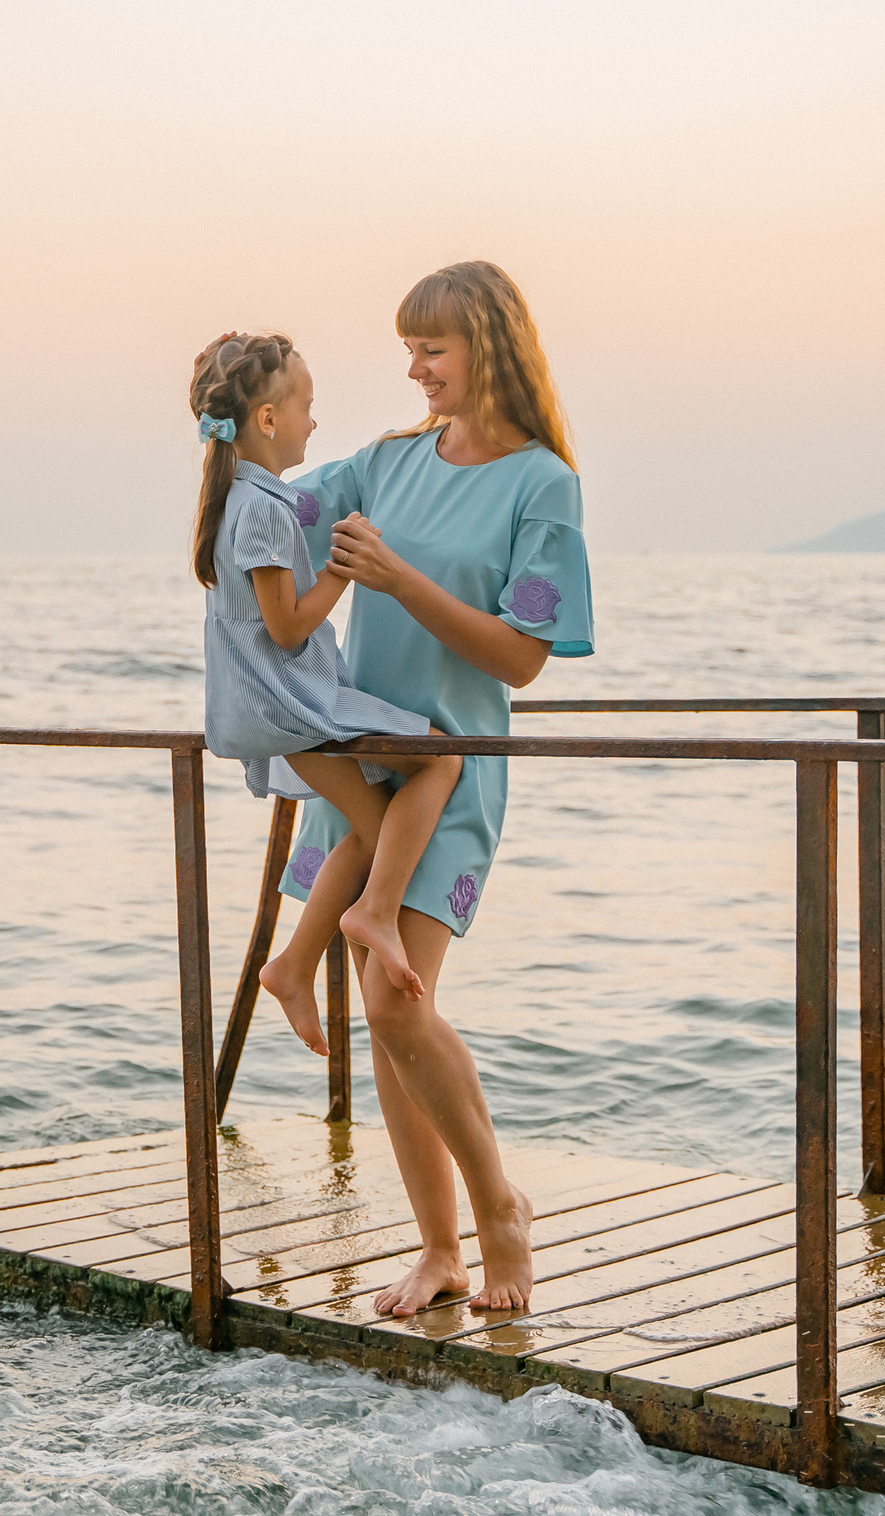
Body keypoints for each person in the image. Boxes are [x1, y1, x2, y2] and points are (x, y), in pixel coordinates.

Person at [267, 261, 594, 1316]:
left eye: (431, 348)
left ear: (489, 344)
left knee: (390, 997)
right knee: (385, 1007)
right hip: (360, 768)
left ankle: (497, 1214)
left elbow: (523, 659)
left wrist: (398, 576)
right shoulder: (386, 461)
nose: (411, 368)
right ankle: (440, 1248)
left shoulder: (542, 481)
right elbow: (269, 515)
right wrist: (231, 428)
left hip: (453, 774)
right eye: (408, 347)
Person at [190, 330, 462, 1001]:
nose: (315, 421)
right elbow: (285, 629)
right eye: (307, 406)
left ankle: (294, 963)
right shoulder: (262, 509)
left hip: (267, 704)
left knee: (376, 828)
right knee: (443, 756)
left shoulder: (241, 500)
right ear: (268, 419)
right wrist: (346, 568)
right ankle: (366, 916)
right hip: (286, 703)